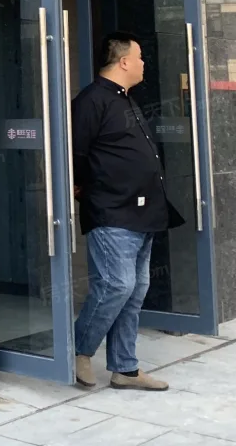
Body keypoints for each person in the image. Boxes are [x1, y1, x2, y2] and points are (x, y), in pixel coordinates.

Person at [71, 31, 184, 391]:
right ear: (123, 62)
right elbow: (75, 154)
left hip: (143, 213)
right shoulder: (92, 101)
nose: (143, 63)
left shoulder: (125, 99)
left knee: (135, 292)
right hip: (112, 212)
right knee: (116, 285)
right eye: (139, 57)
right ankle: (78, 351)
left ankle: (125, 368)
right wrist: (83, 189)